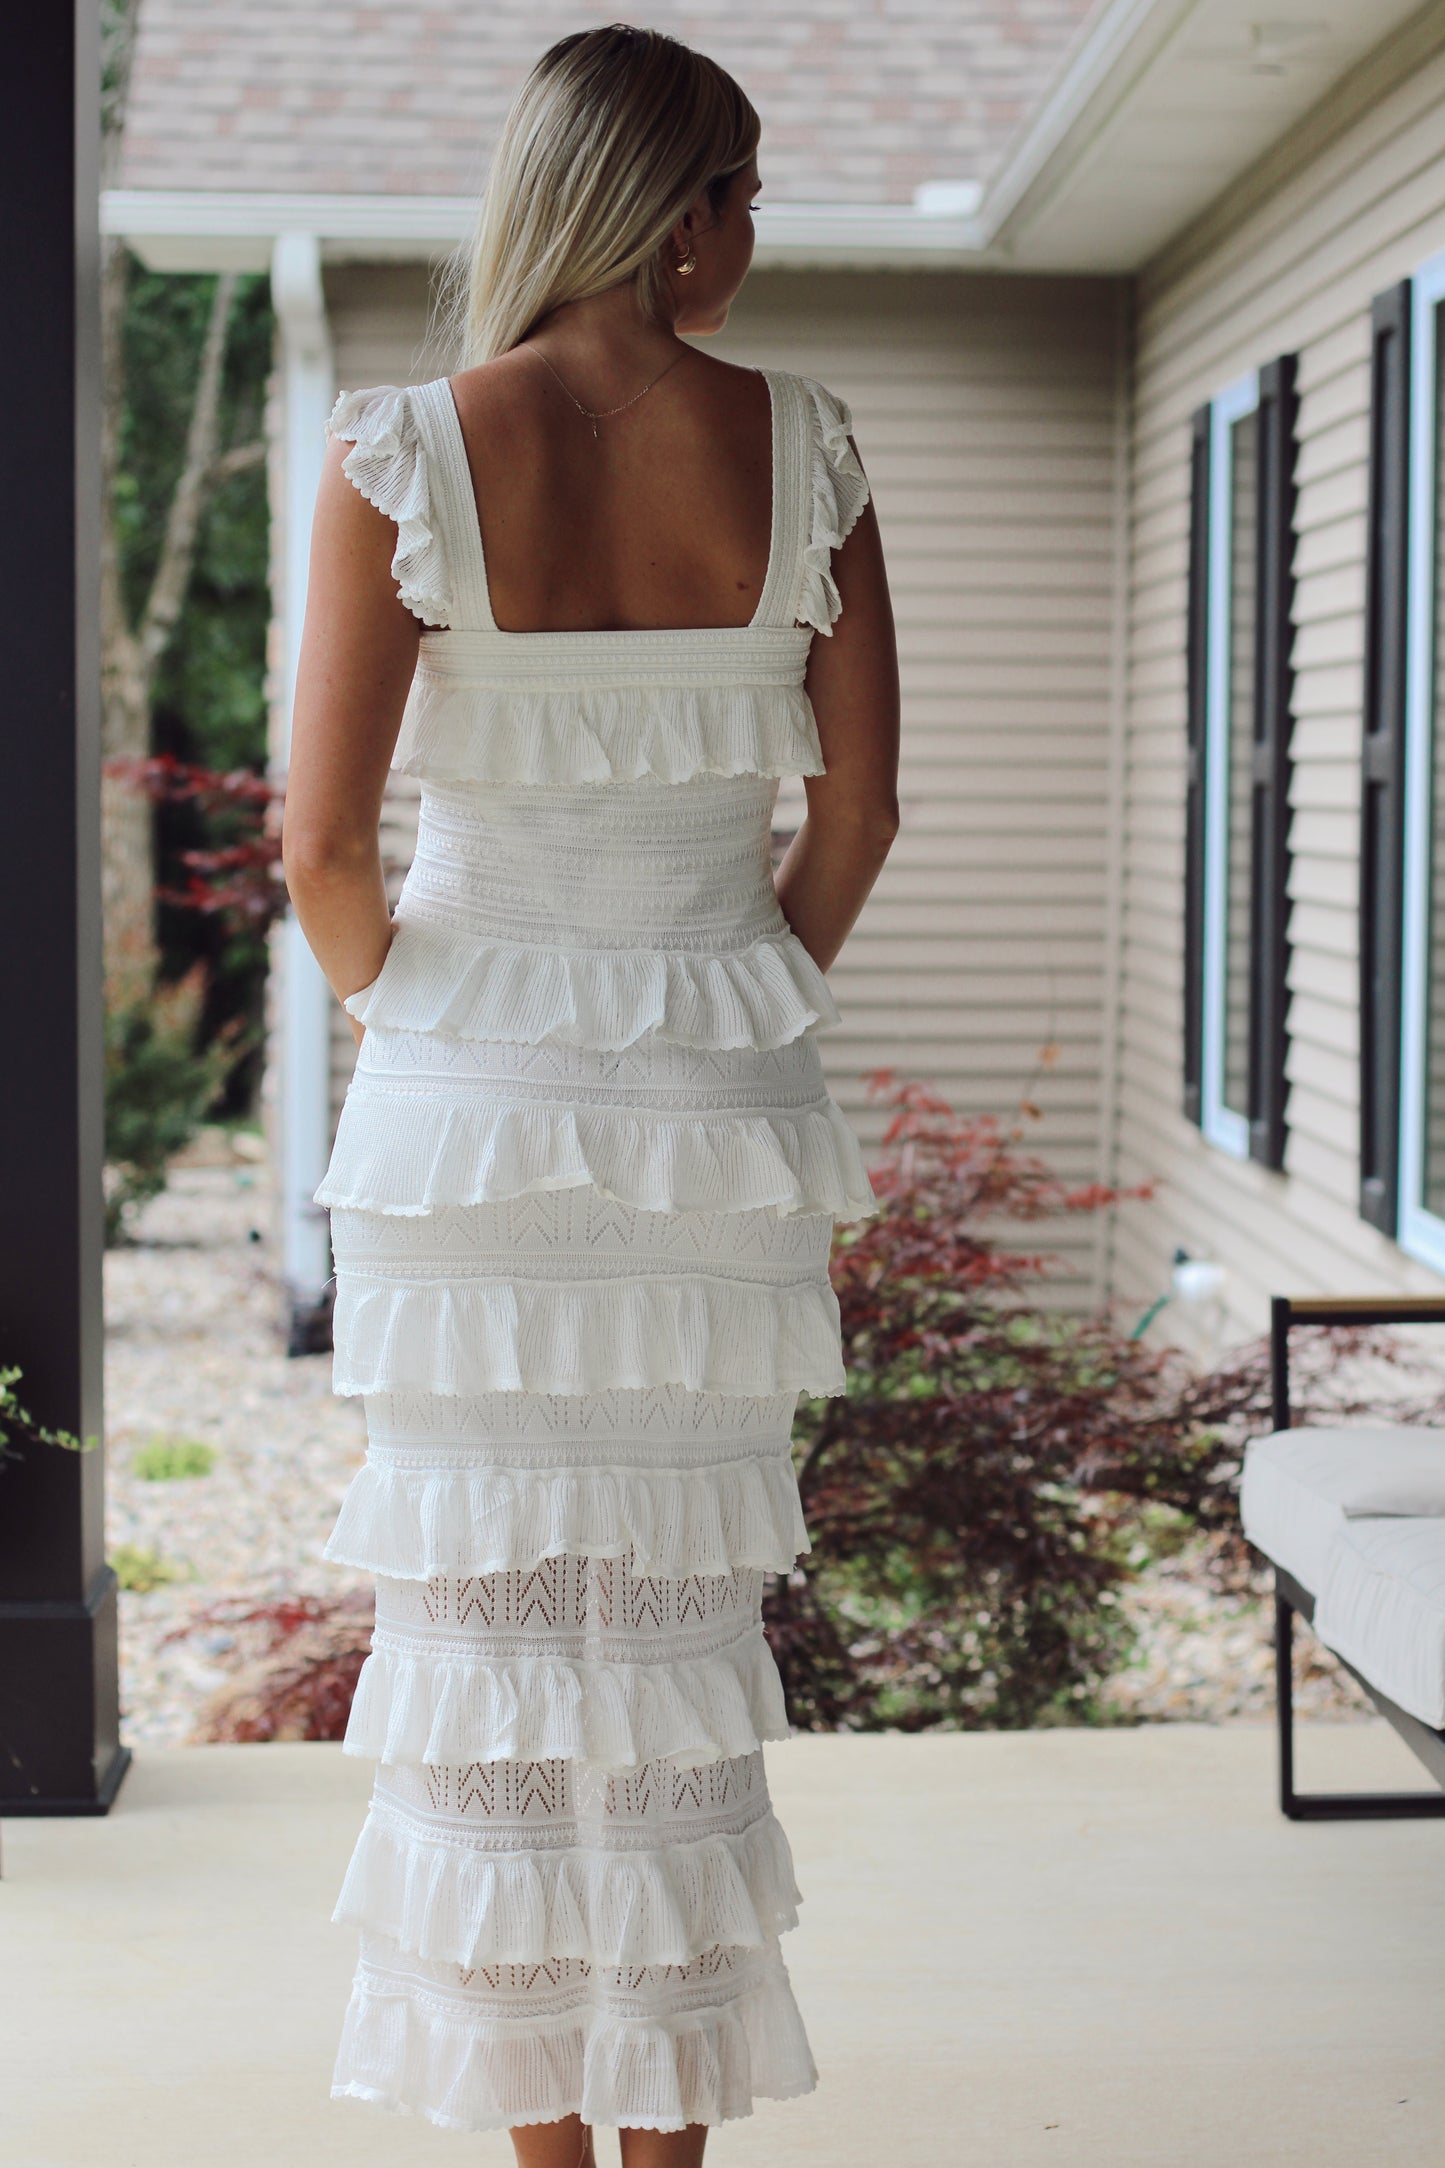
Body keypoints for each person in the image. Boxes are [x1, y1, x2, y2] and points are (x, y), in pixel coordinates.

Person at [282, 23, 900, 2167]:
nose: (751, 233)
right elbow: (858, 813)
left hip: (461, 1116)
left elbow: (324, 854)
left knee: (491, 1647)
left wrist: (433, 1040)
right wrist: (722, 1009)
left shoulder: (402, 449)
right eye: (745, 189)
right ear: (679, 203)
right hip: (714, 1115)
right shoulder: (805, 444)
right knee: (664, 1647)